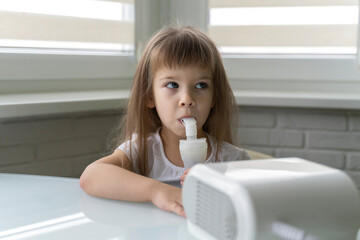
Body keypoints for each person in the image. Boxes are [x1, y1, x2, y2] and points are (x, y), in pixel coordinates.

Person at [79, 26, 250, 218]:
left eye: (201, 85)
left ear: (214, 98)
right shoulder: (143, 151)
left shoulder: (232, 160)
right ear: (150, 96)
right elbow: (90, 177)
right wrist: (157, 191)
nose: (187, 98)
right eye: (172, 85)